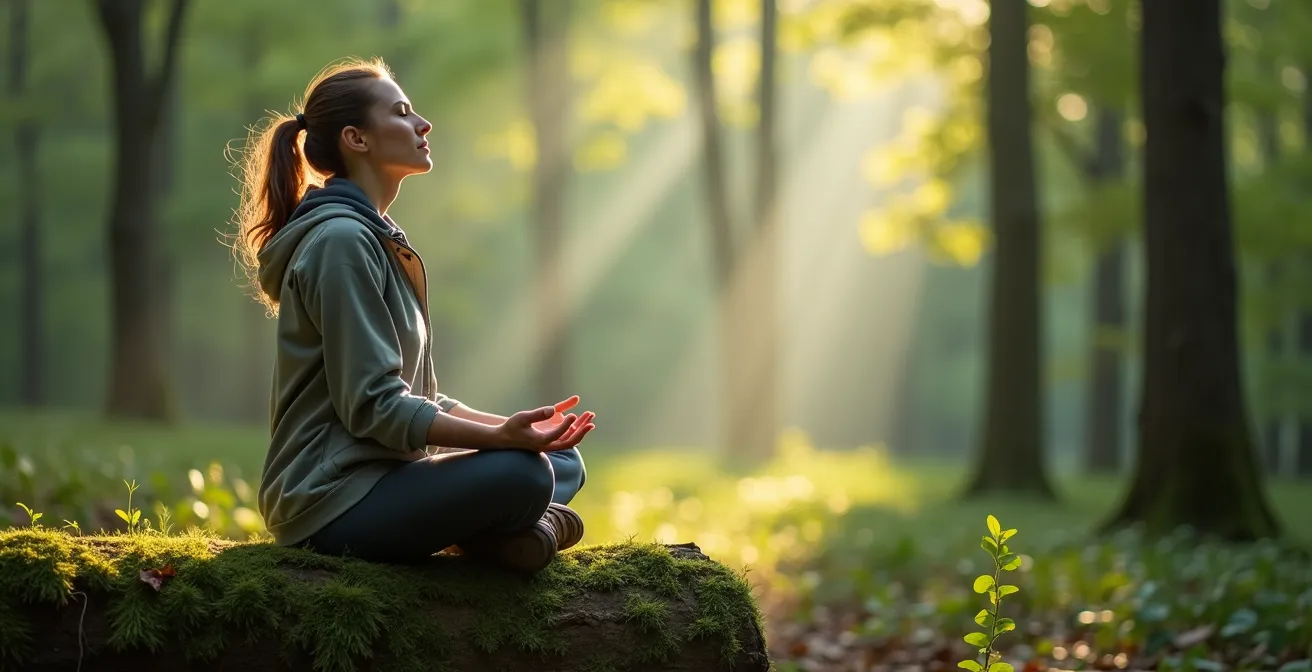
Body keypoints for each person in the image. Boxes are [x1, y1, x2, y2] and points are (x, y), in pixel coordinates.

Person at [228, 57, 595, 572]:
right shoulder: (342, 242)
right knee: (527, 476)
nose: (423, 125)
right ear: (358, 139)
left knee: (560, 459)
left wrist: (520, 430)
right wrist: (501, 442)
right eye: (401, 113)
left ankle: (500, 536)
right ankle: (519, 530)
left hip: (389, 479)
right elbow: (374, 407)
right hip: (331, 502)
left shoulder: (374, 237)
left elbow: (418, 399)